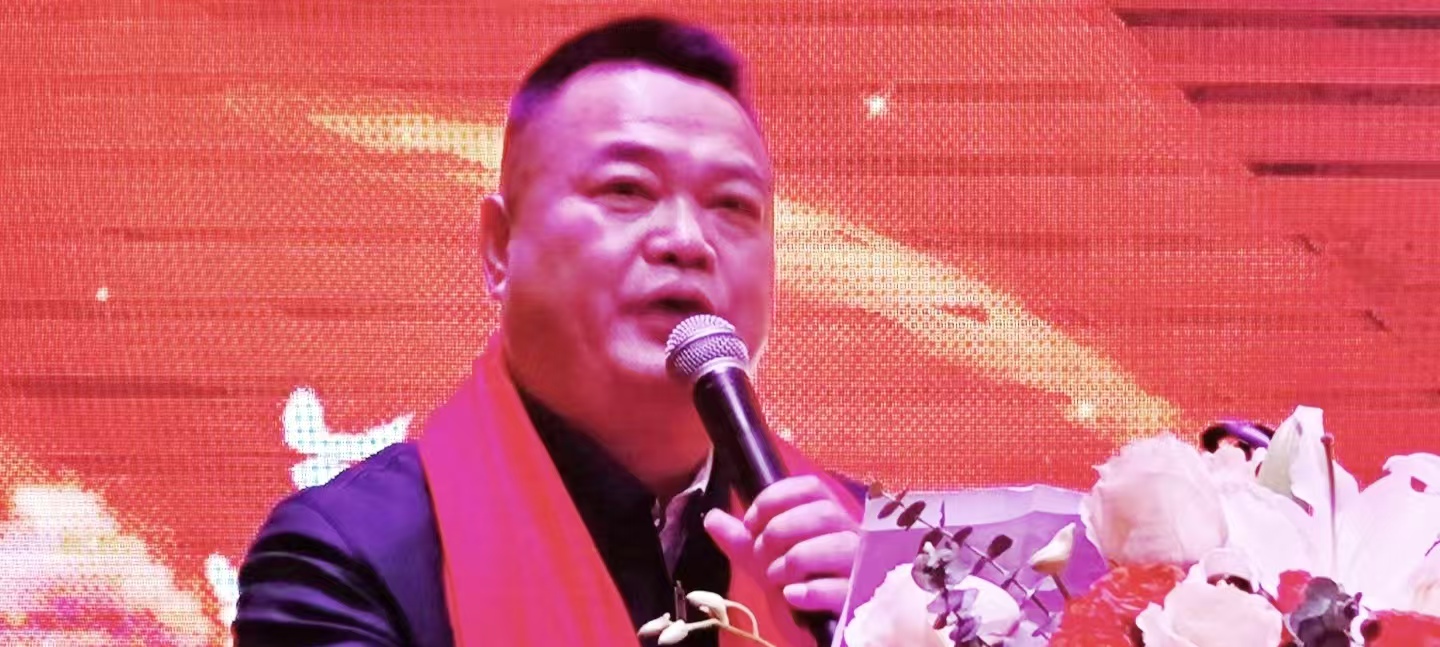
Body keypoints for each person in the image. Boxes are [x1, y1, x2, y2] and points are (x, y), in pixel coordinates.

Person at [234, 16, 861, 647]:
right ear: (499, 248)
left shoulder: (868, 559)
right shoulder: (348, 556)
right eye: (627, 189)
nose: (687, 240)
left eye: (732, 204)